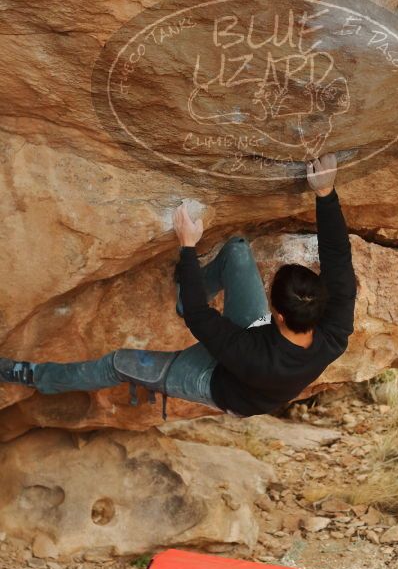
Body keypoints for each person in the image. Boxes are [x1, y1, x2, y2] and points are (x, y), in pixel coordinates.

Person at [0, 153, 356, 419]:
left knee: (120, 363)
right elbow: (338, 257)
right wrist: (325, 192)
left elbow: (201, 320)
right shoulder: (335, 329)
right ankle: (186, 294)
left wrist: (187, 247)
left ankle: (34, 376)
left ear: (276, 313)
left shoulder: (252, 352)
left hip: (218, 383)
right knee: (236, 251)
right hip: (254, 349)